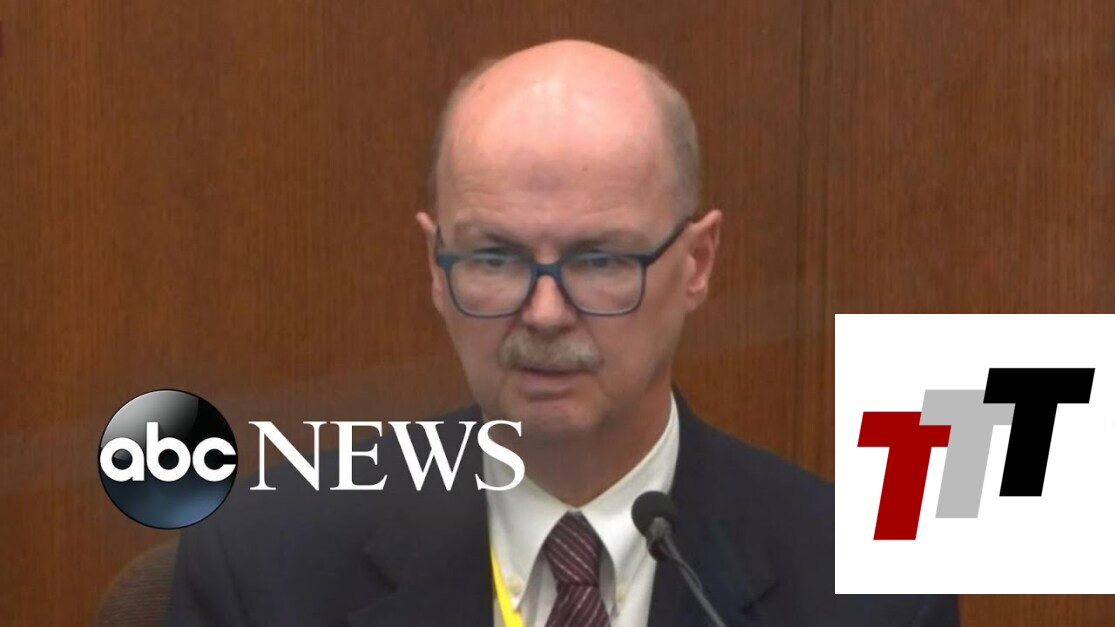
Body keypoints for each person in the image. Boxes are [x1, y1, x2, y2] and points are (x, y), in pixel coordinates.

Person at [169, 39, 959, 626]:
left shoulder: (868, 589)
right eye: (493, 257)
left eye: (600, 259)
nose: (544, 313)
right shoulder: (264, 562)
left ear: (696, 263)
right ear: (436, 268)